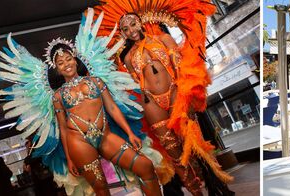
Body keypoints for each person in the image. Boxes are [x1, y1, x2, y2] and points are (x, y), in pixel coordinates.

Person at [0, 9, 167, 195]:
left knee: (145, 167)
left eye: (69, 59)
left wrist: (129, 133)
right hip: (79, 143)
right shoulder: (58, 96)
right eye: (61, 63)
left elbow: (112, 108)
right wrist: (69, 158)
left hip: (106, 136)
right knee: (101, 191)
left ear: (75, 61)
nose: (66, 63)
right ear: (57, 69)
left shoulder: (96, 81)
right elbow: (62, 128)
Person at [95, 1, 233, 195]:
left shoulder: (164, 39)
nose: (131, 30)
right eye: (125, 29)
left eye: (133, 24)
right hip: (151, 103)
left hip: (175, 94)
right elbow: (134, 82)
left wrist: (188, 98)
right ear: (123, 34)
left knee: (196, 146)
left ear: (141, 22)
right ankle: (196, 192)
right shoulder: (127, 58)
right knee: (175, 155)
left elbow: (181, 72)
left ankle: (218, 186)